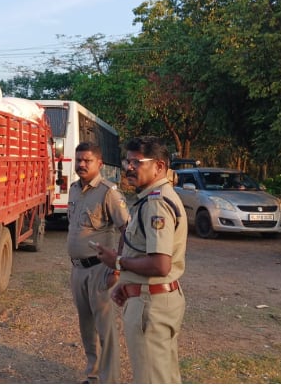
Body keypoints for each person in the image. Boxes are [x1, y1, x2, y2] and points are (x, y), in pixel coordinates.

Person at [95, 136, 188, 383]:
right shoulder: (150, 199)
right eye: (128, 161)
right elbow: (143, 252)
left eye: (137, 162)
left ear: (159, 166)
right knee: (162, 376)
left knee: (150, 378)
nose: (129, 167)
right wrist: (128, 285)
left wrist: (117, 263)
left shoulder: (156, 204)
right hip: (151, 297)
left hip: (152, 303)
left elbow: (160, 264)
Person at [66, 142, 130, 384]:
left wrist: (117, 267)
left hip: (100, 271)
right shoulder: (73, 189)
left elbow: (127, 230)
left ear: (99, 164)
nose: (81, 164)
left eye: (87, 160)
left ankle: (109, 379)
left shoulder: (108, 192)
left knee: (105, 329)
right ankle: (93, 374)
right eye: (79, 159)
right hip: (78, 269)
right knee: (86, 327)